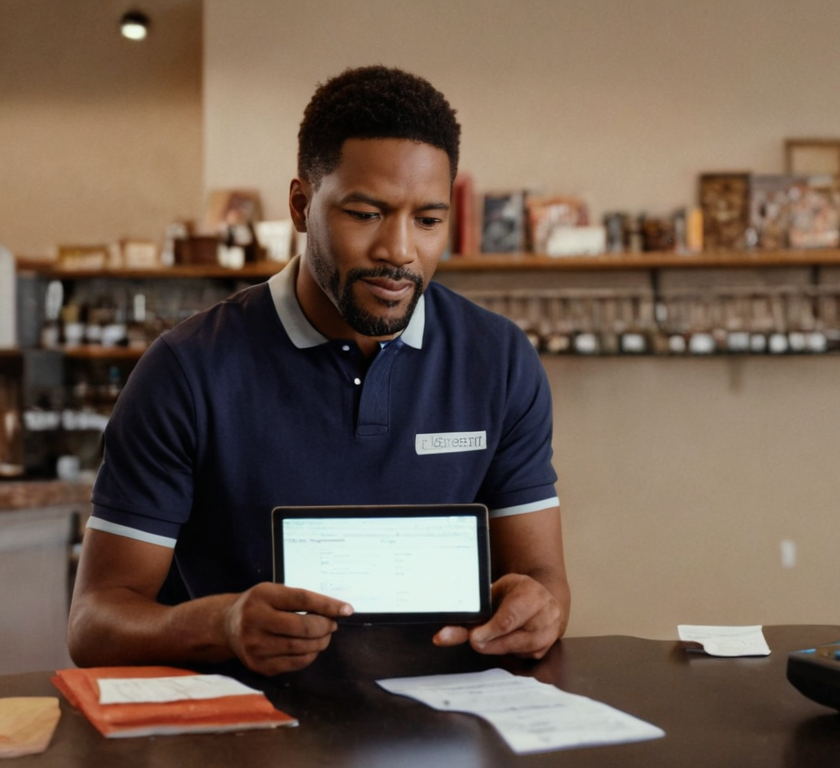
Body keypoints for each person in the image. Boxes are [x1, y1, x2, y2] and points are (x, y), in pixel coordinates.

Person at [68, 66, 569, 675]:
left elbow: (544, 581)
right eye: (365, 214)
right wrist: (224, 624)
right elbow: (95, 623)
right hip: (246, 732)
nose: (400, 251)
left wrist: (538, 610)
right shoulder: (187, 370)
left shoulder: (499, 360)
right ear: (302, 206)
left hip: (442, 725)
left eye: (428, 221)